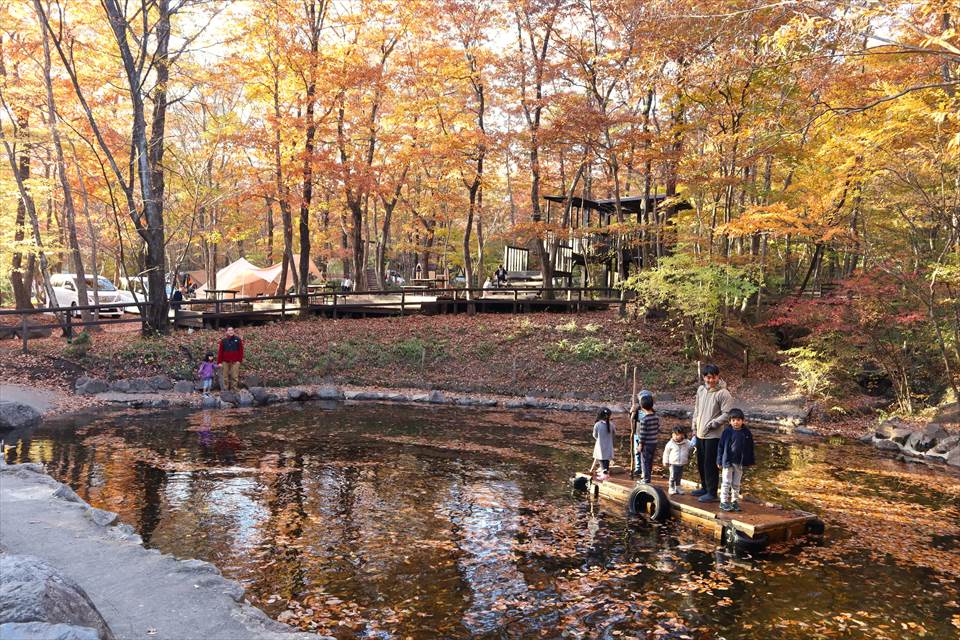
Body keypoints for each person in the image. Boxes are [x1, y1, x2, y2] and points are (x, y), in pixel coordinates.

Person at [690, 363, 734, 503]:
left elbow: (728, 414)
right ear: (704, 377)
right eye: (708, 378)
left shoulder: (723, 393)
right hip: (700, 433)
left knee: (710, 464)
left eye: (713, 377)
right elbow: (697, 409)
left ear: (718, 377)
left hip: (714, 435)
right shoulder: (701, 390)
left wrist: (714, 423)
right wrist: (694, 425)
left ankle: (712, 492)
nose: (711, 380)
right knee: (701, 462)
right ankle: (704, 487)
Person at [717, 408, 755, 512]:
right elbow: (720, 447)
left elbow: (750, 447)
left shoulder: (746, 433)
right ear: (729, 421)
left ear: (743, 421)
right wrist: (719, 461)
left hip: (739, 462)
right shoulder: (727, 432)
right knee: (726, 482)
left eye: (738, 420)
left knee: (736, 483)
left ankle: (735, 501)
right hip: (728, 461)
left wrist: (750, 461)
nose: (736, 422)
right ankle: (723, 501)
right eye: (733, 420)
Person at [632, 390, 660, 484]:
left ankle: (646, 479)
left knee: (645, 462)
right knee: (650, 461)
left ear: (642, 407)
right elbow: (657, 428)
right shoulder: (656, 417)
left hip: (646, 444)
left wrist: (640, 445)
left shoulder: (644, 420)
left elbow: (643, 435)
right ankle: (647, 477)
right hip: (653, 442)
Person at [662, 426, 695, 495]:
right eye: (673, 435)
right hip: (673, 463)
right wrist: (665, 461)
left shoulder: (686, 442)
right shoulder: (670, 443)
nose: (675, 437)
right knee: (673, 476)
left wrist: (695, 438)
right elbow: (666, 453)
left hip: (681, 463)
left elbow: (692, 445)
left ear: (683, 435)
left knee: (679, 476)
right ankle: (671, 487)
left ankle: (678, 487)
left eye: (677, 435)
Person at [589, 408, 615, 477]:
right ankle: (605, 472)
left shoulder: (597, 425)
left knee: (601, 460)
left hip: (600, 447)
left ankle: (604, 476)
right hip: (609, 447)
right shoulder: (611, 424)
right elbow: (614, 433)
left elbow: (594, 435)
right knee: (606, 462)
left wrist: (599, 439)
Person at [217, 326, 244, 391]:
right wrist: (219, 362)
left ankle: (234, 389)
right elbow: (220, 352)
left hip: (235, 361)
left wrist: (239, 360)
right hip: (225, 361)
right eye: (229, 330)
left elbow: (241, 351)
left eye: (232, 330)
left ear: (233, 331)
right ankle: (225, 389)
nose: (230, 331)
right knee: (225, 376)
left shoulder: (238, 339)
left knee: (234, 376)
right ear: (226, 332)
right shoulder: (223, 341)